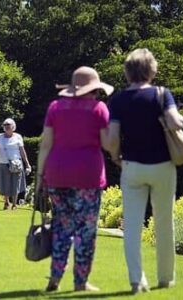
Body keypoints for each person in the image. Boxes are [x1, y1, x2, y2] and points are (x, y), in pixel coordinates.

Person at [107, 48, 183, 294]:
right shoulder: (162, 94)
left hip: (132, 166)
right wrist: (178, 118)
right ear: (152, 70)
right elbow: (174, 122)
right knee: (164, 222)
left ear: (127, 72)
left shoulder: (118, 100)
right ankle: (165, 278)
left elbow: (111, 139)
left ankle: (136, 280)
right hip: (163, 165)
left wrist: (115, 156)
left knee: (131, 226)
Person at [35, 66, 113, 292]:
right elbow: (108, 144)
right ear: (92, 90)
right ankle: (81, 281)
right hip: (88, 176)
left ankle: (55, 277)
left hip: (58, 175)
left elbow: (46, 144)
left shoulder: (55, 108)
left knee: (61, 228)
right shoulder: (99, 109)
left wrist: (40, 176)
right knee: (85, 232)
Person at [0, 118, 31, 209]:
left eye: (8, 125)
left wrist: (27, 163)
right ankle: (6, 202)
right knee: (5, 183)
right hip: (3, 162)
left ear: (13, 127)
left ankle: (14, 203)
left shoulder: (18, 137)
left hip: (16, 163)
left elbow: (22, 151)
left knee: (15, 183)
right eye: (5, 125)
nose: (7, 127)